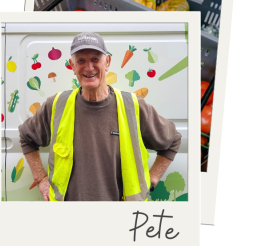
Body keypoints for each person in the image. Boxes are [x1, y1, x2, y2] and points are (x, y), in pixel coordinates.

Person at [18, 32, 182, 201]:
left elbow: (173, 141)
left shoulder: (133, 106)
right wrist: (40, 179)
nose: (89, 67)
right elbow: (26, 137)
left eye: (95, 59)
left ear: (107, 62)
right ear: (72, 66)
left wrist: (152, 179)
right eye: (81, 60)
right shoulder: (57, 104)